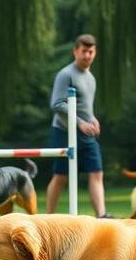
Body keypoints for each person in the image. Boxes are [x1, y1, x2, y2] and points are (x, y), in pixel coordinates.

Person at [46, 33, 109, 217]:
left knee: (97, 173)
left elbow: (85, 107)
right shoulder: (65, 75)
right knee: (60, 177)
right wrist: (80, 123)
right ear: (75, 52)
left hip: (86, 133)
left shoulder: (91, 78)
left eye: (91, 51)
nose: (87, 55)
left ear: (95, 52)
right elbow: (57, 104)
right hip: (63, 131)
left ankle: (102, 216)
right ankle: (48, 217)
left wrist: (93, 119)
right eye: (84, 51)